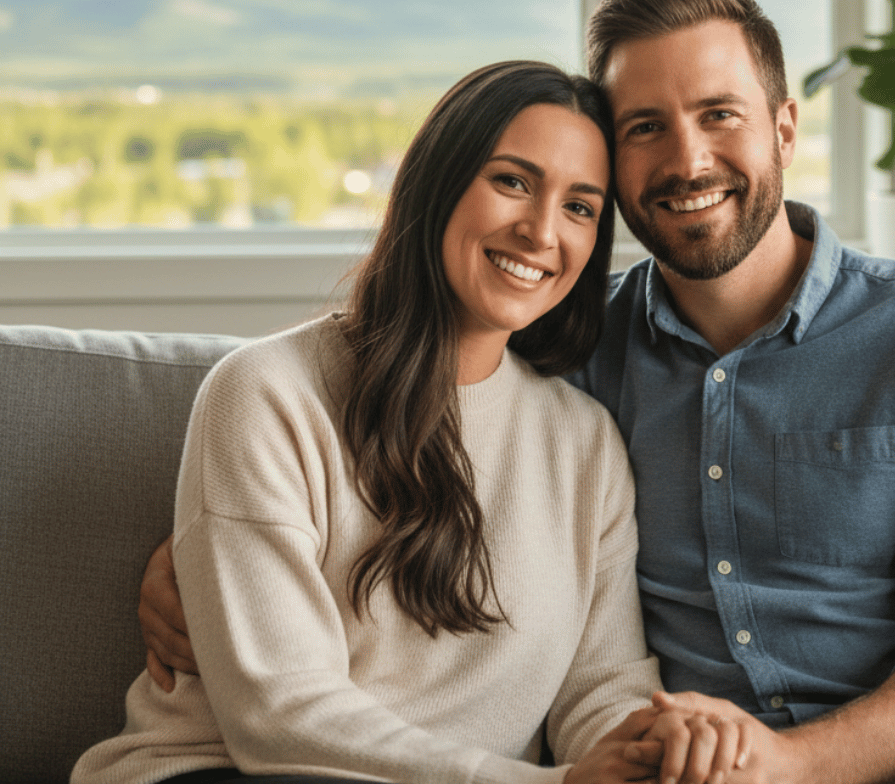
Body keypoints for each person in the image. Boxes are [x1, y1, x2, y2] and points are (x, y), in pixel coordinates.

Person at [139, 2, 895, 783]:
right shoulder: (575, 354)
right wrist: (203, 554)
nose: (686, 159)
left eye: (718, 114)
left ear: (782, 124)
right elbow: (400, 410)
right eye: (643, 128)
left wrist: (790, 764)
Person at [73, 60, 748, 784]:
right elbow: (279, 715)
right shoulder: (267, 393)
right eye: (512, 181)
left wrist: (656, 746)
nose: (540, 231)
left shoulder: (584, 442)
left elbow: (600, 687)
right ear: (439, 182)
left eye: (580, 207)